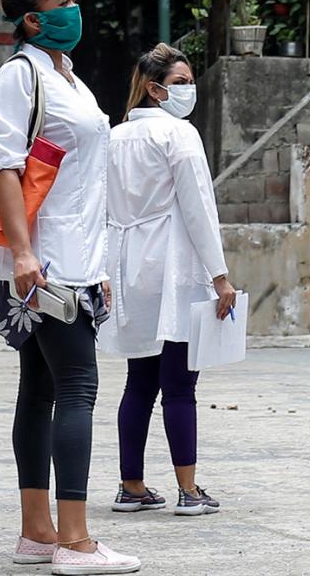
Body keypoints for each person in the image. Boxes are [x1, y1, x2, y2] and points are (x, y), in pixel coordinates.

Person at [0, 0, 138, 575]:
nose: (77, 8)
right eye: (65, 0)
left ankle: (37, 533)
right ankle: (75, 541)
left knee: (42, 387)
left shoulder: (65, 76)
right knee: (78, 386)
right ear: (33, 18)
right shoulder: (19, 76)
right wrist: (22, 253)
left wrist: (97, 261)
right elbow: (4, 167)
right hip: (44, 263)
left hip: (76, 256)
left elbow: (83, 177)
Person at [104, 44, 238, 519]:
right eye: (180, 81)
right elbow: (200, 210)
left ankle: (131, 487)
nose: (188, 88)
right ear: (155, 89)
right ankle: (188, 491)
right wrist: (220, 277)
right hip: (174, 267)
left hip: (128, 268)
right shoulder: (179, 135)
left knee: (139, 381)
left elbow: (102, 210)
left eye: (189, 79)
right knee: (180, 384)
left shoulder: (114, 137)